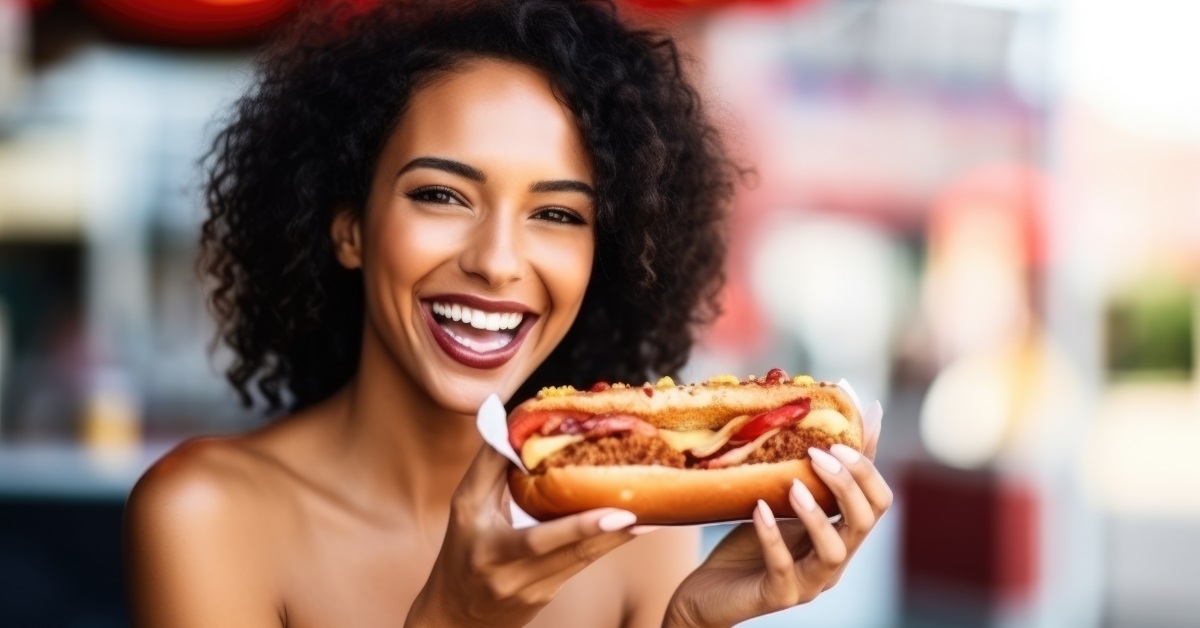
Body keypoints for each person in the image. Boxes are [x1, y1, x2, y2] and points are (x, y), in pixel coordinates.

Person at [123, 1, 892, 626]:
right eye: (440, 195)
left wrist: (685, 626)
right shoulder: (204, 515)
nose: (496, 260)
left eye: (557, 214)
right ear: (349, 227)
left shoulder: (635, 541)